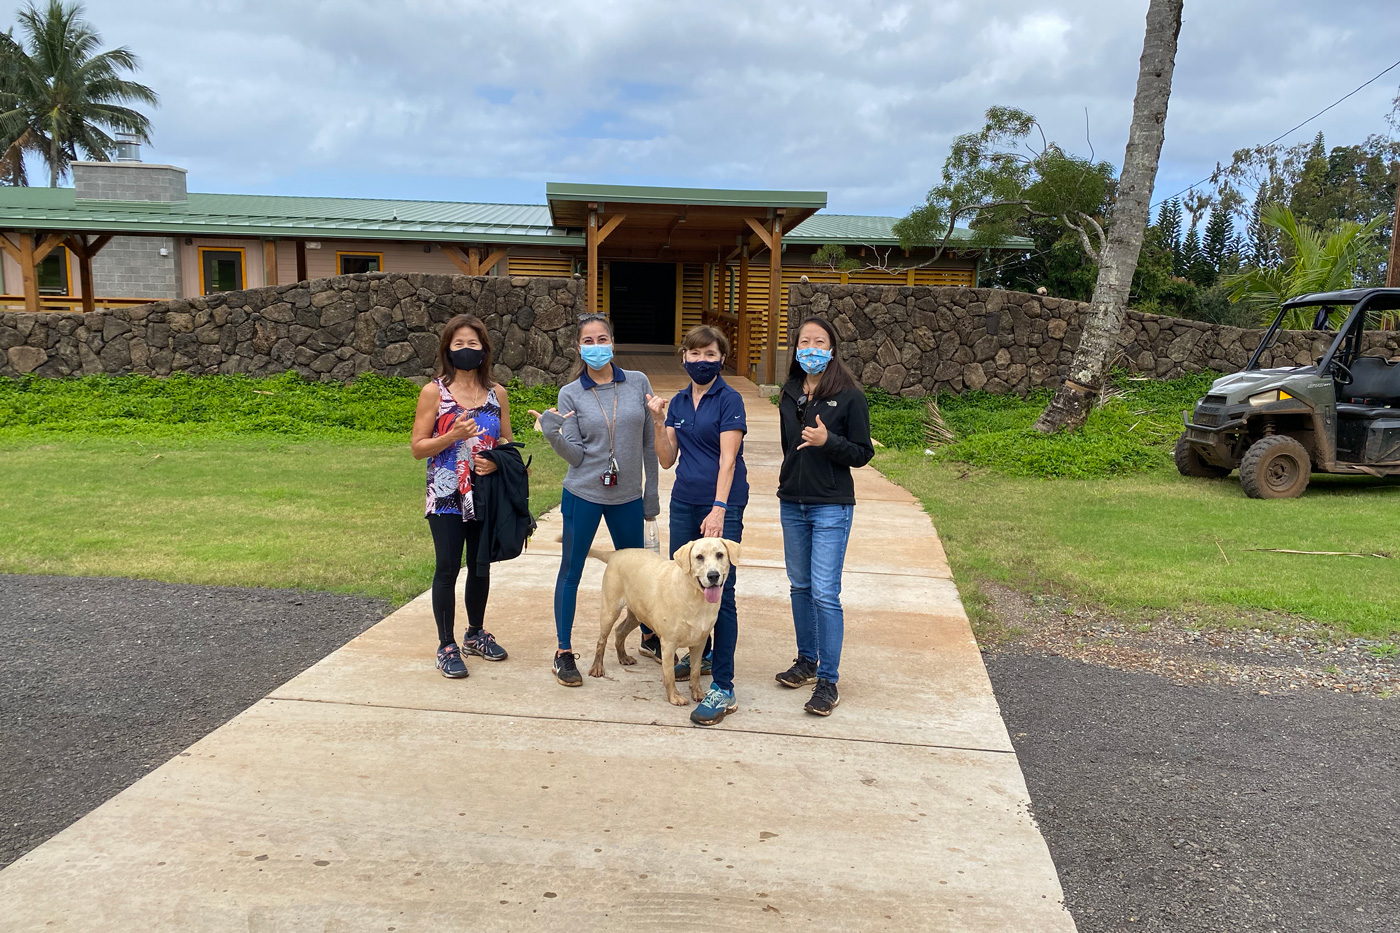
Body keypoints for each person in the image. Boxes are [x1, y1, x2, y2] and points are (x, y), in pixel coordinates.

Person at [530, 314, 660, 687]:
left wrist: (649, 495)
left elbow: (649, 443)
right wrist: (553, 433)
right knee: (571, 571)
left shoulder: (638, 383)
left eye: (602, 338)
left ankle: (649, 637)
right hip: (584, 493)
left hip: (628, 497)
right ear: (578, 347)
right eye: (588, 341)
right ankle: (563, 652)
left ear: (613, 342)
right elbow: (574, 455)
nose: (596, 346)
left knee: (639, 575)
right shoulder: (570, 393)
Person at [648, 324, 748, 726]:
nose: (701, 361)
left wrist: (720, 507)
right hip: (685, 501)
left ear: (722, 358)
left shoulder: (730, 399)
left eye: (710, 355)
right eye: (694, 354)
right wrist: (658, 421)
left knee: (721, 588)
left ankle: (723, 683)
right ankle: (698, 653)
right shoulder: (679, 402)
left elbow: (728, 459)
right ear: (684, 357)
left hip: (721, 503)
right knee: (686, 578)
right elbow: (667, 458)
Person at [774, 316, 874, 716]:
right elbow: (787, 447)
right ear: (795, 349)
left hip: (831, 506)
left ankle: (828, 681)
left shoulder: (849, 396)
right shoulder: (790, 392)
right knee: (799, 586)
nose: (811, 348)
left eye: (819, 342)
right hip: (791, 502)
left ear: (832, 348)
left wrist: (828, 441)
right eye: (804, 342)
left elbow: (862, 453)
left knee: (825, 593)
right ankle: (806, 661)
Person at [410, 314, 513, 679]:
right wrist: (452, 436)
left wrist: (499, 463)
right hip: (447, 493)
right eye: (459, 344)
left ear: (484, 349)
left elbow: (506, 444)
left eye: (473, 344)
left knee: (480, 566)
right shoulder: (434, 392)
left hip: (484, 493)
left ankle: (475, 633)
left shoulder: (497, 393)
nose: (467, 350)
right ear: (447, 350)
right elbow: (418, 448)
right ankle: (446, 645)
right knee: (448, 567)